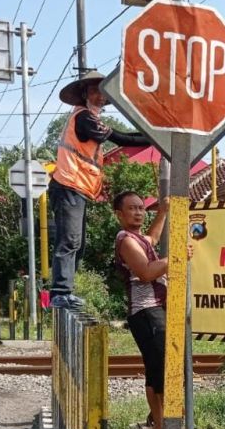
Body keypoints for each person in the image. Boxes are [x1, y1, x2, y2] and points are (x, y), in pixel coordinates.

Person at [48, 71, 151, 310]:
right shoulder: (84, 118)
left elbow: (123, 136)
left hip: (78, 187)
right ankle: (60, 293)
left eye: (103, 91)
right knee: (70, 241)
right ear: (85, 93)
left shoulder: (90, 118)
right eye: (95, 90)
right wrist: (152, 138)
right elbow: (122, 139)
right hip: (69, 184)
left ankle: (66, 292)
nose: (100, 95)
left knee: (78, 243)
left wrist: (152, 136)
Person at [112, 191, 201, 429]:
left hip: (149, 312)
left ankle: (161, 427)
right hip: (147, 311)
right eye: (132, 208)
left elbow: (152, 238)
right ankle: (173, 427)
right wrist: (176, 257)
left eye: (141, 208)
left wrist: (161, 212)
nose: (139, 212)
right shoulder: (125, 240)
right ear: (119, 214)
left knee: (154, 371)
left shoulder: (139, 239)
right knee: (167, 368)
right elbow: (146, 272)